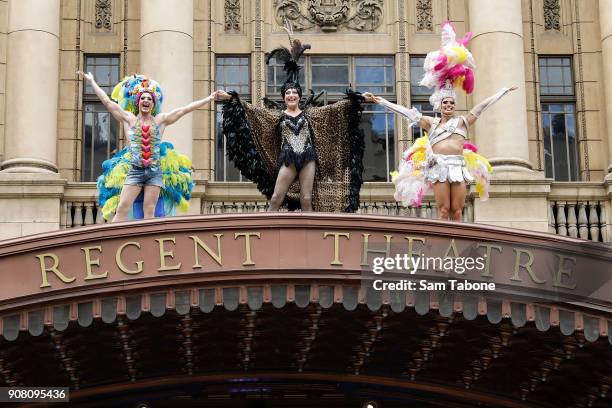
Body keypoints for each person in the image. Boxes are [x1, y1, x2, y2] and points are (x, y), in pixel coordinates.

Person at [363, 22, 516, 221]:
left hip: (458, 166)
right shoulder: (430, 123)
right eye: (445, 102)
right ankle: (446, 247)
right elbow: (406, 113)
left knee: (458, 210)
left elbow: (481, 107)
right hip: (439, 166)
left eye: (452, 102)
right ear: (439, 104)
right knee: (444, 210)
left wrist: (502, 92)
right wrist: (380, 100)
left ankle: (458, 244)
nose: (449, 105)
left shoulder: (462, 122)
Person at [217, 31, 364, 212]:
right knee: (277, 197)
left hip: (308, 158)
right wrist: (231, 98)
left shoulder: (310, 115)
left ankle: (310, 236)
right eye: (288, 93)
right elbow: (252, 110)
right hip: (288, 160)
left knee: (306, 198)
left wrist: (359, 98)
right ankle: (266, 231)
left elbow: (334, 109)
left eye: (294, 93)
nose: (291, 95)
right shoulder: (278, 116)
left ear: (299, 97)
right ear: (284, 97)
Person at [77, 71, 217, 221]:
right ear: (138, 102)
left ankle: (148, 243)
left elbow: (185, 109)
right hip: (135, 171)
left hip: (154, 173)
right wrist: (92, 82)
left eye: (149, 98)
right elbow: (107, 102)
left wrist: (209, 98)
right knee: (122, 208)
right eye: (143, 98)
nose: (146, 100)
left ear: (153, 104)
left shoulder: (160, 120)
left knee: (149, 212)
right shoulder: (128, 119)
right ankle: (112, 241)